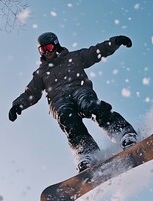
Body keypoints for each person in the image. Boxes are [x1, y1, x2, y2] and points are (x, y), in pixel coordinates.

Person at [9, 32, 138, 172]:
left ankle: (123, 132)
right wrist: (18, 105)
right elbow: (31, 93)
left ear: (56, 45)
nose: (47, 52)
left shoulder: (74, 57)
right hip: (59, 101)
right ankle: (87, 153)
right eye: (43, 50)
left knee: (90, 105)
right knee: (67, 119)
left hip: (80, 90)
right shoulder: (41, 73)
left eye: (49, 47)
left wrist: (115, 42)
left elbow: (95, 51)